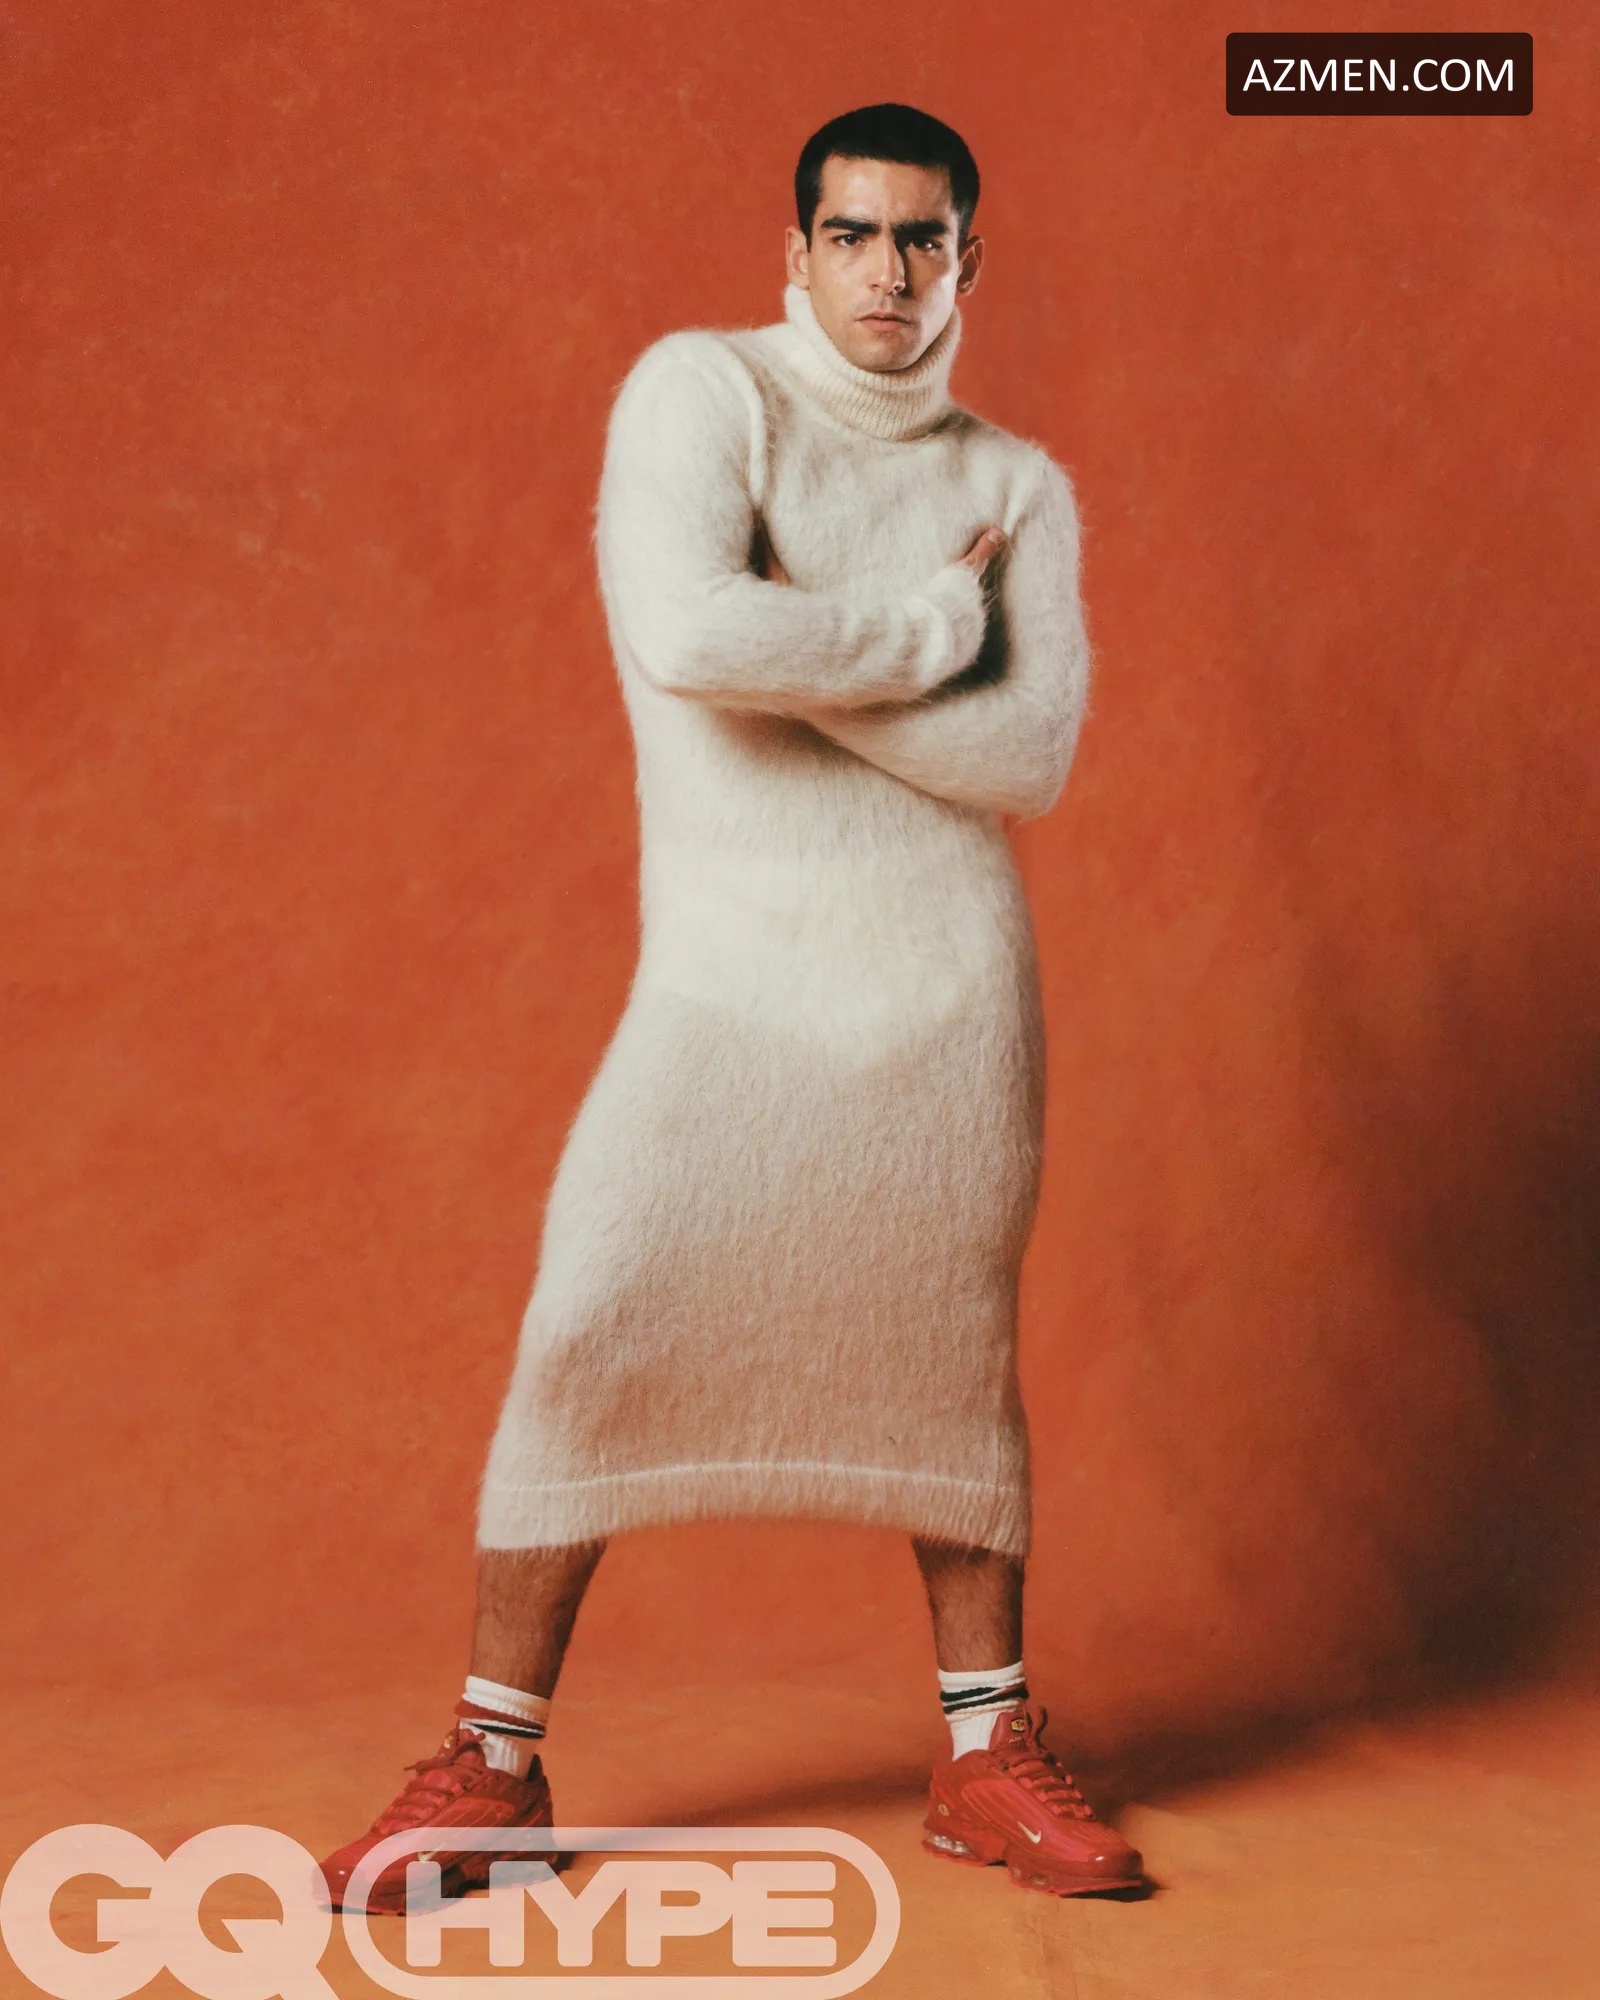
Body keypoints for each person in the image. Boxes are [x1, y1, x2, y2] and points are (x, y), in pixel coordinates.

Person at [317, 101, 1142, 1911]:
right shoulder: (702, 395)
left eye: (922, 238)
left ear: (969, 262)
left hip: (945, 996)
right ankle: (491, 1767)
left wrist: (799, 638)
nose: (887, 271)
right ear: (796, 252)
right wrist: (928, 631)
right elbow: (687, 634)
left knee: (950, 1366)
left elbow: (1030, 755)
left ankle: (985, 1755)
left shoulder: (1018, 487)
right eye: (852, 234)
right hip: (728, 985)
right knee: (591, 1322)